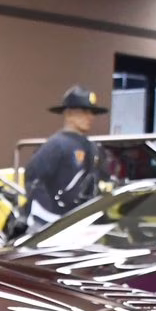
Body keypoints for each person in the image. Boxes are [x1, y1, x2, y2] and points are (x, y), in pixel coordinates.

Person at [25, 85, 108, 231]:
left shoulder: (92, 147)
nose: (90, 117)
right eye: (84, 112)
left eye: (92, 112)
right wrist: (48, 215)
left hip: (80, 221)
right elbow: (34, 179)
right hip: (50, 221)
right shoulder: (56, 145)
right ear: (69, 114)